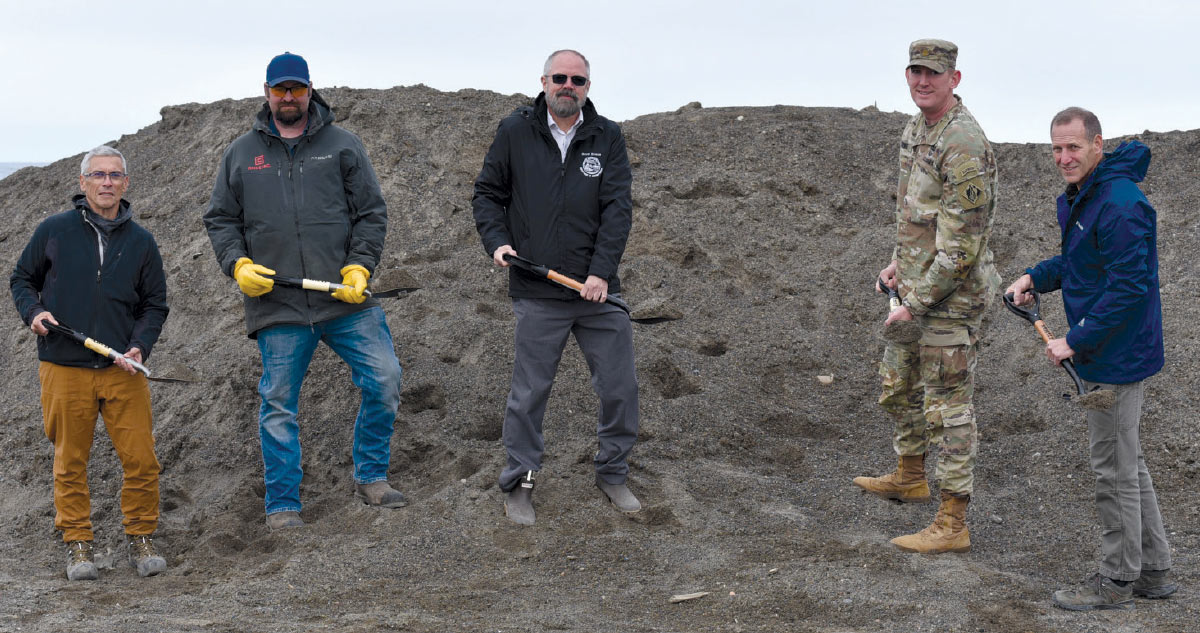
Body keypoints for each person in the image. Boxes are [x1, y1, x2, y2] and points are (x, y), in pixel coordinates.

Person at [204, 52, 405, 531]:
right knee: (278, 403)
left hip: (344, 300)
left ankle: (371, 476)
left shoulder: (342, 146)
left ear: (310, 89)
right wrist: (238, 265)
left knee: (385, 379)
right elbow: (221, 219)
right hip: (278, 303)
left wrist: (361, 266)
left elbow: (371, 213)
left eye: (296, 88)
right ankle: (283, 504)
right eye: (280, 89)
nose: (288, 97)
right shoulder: (240, 153)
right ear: (267, 92)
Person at [1006, 107, 1174, 610]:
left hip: (1115, 356)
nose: (1063, 158)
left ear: (1098, 145)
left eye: (1073, 147)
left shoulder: (1120, 203)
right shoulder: (1086, 197)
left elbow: (1129, 287)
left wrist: (1074, 340)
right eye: (1056, 148)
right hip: (1107, 350)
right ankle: (1154, 569)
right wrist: (1035, 276)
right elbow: (1082, 264)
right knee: (1129, 463)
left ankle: (1117, 580)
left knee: (1113, 470)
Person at [472, 49, 639, 526]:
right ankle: (520, 482)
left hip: (596, 290)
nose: (569, 86)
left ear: (588, 86)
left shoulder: (606, 136)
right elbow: (487, 194)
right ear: (544, 81)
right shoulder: (515, 131)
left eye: (578, 80)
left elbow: (617, 209)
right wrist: (498, 241)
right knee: (529, 393)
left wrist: (601, 273)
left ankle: (612, 471)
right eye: (560, 78)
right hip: (537, 286)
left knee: (620, 387)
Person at [853, 39, 999, 554]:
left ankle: (953, 522)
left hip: (951, 297)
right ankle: (910, 475)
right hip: (915, 283)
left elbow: (961, 248)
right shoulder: (916, 128)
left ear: (954, 79)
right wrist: (898, 264)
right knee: (898, 386)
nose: (922, 81)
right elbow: (915, 214)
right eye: (915, 71)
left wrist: (915, 303)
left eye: (933, 74)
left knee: (948, 410)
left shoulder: (964, 143)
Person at [10, 145, 169, 580]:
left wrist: (140, 347)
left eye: (115, 175)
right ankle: (78, 543)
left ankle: (141, 536)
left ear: (126, 183)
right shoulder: (55, 230)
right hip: (63, 367)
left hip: (122, 369)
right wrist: (34, 313)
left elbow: (155, 304)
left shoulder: (142, 241)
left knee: (141, 459)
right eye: (98, 175)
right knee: (70, 460)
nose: (106, 182)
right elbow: (22, 279)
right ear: (82, 183)